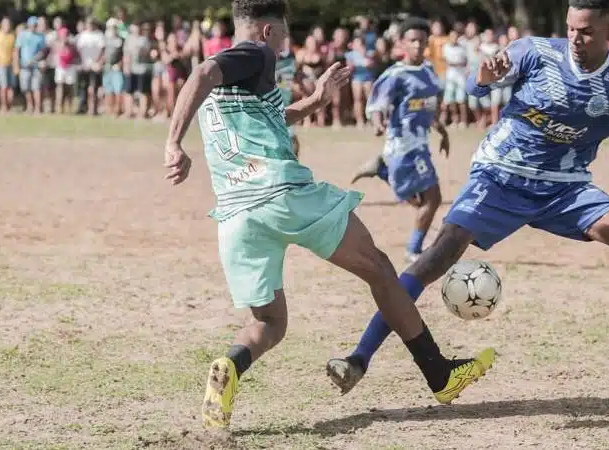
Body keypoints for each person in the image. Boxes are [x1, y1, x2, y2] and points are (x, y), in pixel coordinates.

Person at [326, 0, 609, 400]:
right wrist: (485, 77)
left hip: (565, 187)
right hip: (499, 176)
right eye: (570, 28)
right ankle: (359, 357)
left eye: (586, 31)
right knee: (436, 257)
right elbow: (479, 90)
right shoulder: (534, 52)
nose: (575, 38)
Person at [162, 0, 495, 429]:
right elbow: (202, 72)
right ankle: (440, 374)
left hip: (235, 213)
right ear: (266, 32)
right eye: (283, 34)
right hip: (282, 194)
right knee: (378, 268)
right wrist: (173, 142)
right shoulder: (255, 53)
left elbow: (273, 117)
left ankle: (229, 365)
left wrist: (318, 99)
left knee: (269, 323)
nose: (285, 44)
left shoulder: (237, 83)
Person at [348, 18, 451, 263]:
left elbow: (430, 107)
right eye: (412, 40)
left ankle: (383, 170)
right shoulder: (395, 75)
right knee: (431, 199)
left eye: (422, 41)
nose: (417, 45)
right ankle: (413, 251)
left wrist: (442, 131)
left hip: (421, 143)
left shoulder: (427, 71)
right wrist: (377, 123)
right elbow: (375, 105)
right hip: (403, 145)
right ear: (402, 43)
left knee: (422, 201)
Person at [275, 35, 300, 157]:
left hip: (285, 108)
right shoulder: (265, 61)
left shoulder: (290, 62)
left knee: (293, 142)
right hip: (270, 109)